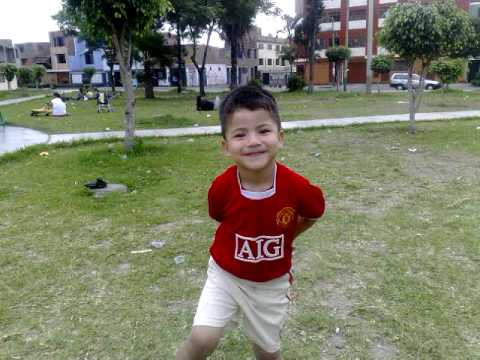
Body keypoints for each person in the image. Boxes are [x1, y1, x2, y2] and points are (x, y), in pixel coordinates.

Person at [176, 86, 326, 360]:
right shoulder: (221, 187)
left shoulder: (298, 187)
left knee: (267, 353)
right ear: (225, 146)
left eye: (263, 131)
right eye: (240, 134)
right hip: (226, 275)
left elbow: (315, 212)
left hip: (270, 283)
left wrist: (289, 235)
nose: (253, 141)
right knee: (201, 339)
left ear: (280, 137)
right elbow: (221, 217)